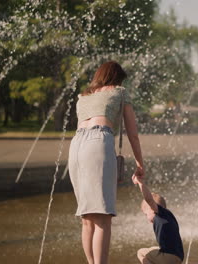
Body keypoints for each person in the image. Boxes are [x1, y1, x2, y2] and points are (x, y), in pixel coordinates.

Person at [68, 61, 145, 264]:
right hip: (98, 142)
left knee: (87, 218)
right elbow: (133, 134)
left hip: (76, 145)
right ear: (117, 78)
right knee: (103, 215)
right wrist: (140, 164)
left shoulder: (83, 96)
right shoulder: (120, 91)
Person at [132, 174, 184, 264]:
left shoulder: (159, 214)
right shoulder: (167, 216)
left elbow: (149, 199)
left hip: (169, 257)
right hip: (178, 256)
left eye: (146, 214)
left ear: (152, 209)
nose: (147, 218)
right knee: (152, 249)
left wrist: (140, 183)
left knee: (141, 252)